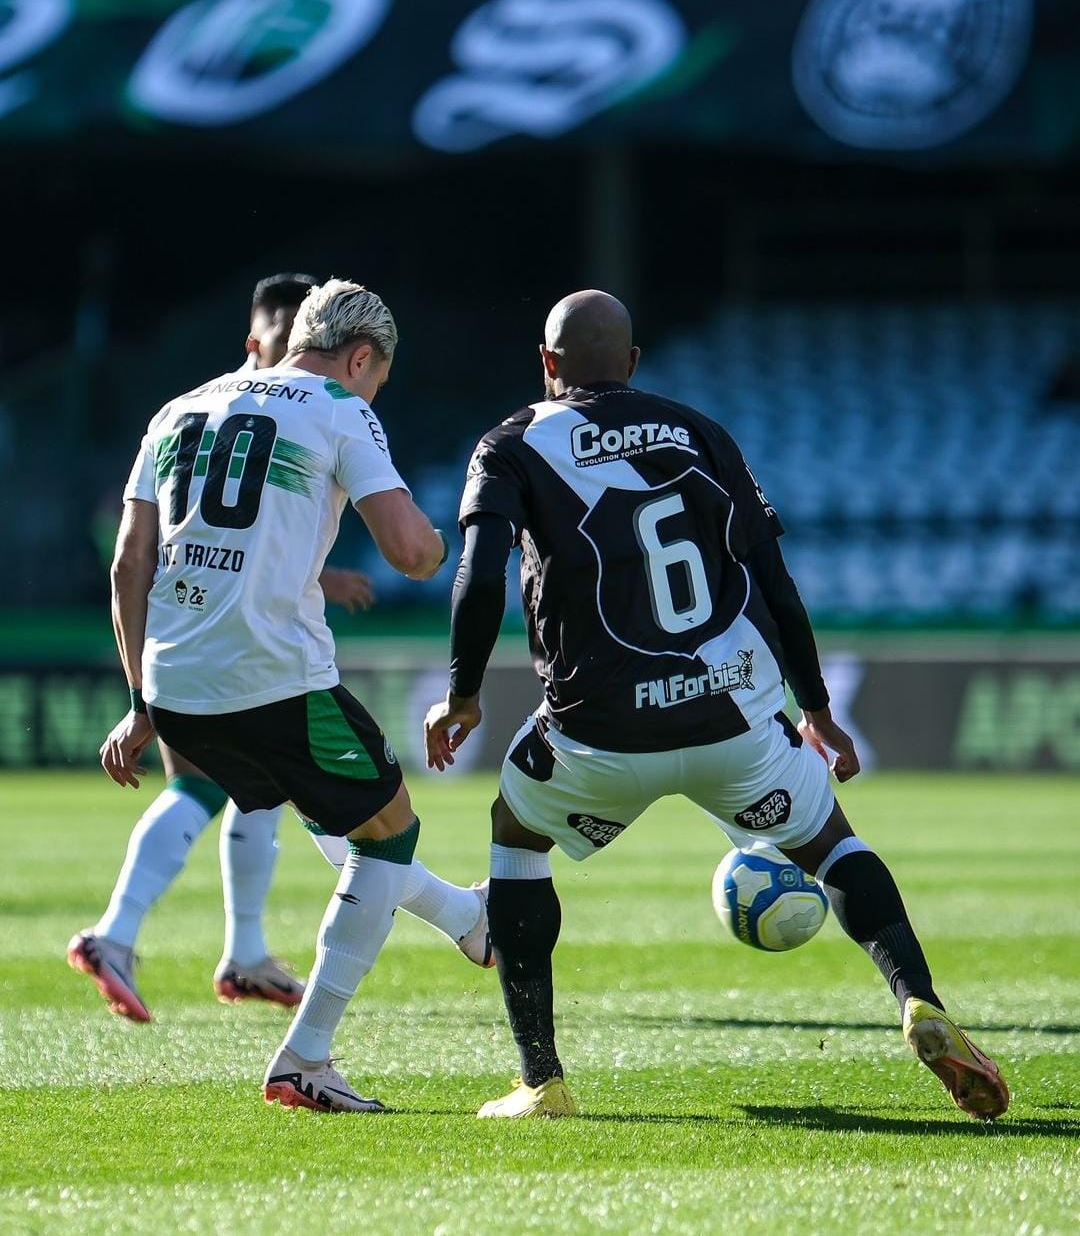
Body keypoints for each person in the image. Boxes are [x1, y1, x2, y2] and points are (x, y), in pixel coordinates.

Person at [424, 289, 1010, 1122]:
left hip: (599, 732)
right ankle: (918, 999)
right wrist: (818, 709)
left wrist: (462, 694)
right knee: (834, 844)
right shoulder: (699, 430)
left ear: (548, 363)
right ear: (631, 363)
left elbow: (479, 575)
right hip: (732, 716)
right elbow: (775, 582)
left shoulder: (511, 443)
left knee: (515, 836)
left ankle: (540, 1076)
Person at [97, 278, 478, 1112]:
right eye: (376, 376)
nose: (373, 390)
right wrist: (444, 541)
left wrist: (138, 698)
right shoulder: (341, 408)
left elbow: (130, 561)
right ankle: (305, 1056)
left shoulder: (178, 408)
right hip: (272, 677)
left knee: (339, 823)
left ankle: (466, 920)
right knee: (388, 833)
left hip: (174, 686)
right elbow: (413, 551)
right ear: (362, 355)